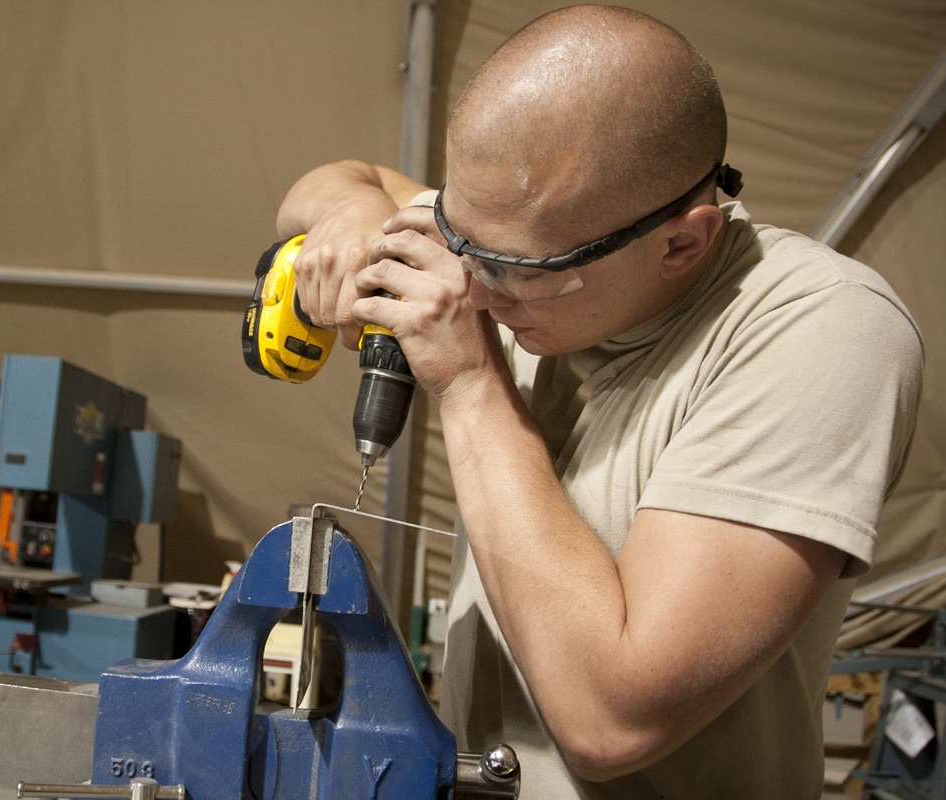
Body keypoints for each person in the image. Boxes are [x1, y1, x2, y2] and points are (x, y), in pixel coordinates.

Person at [275, 5, 924, 798]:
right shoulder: (522, 232)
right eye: (457, 236)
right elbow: (350, 179)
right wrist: (351, 212)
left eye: (509, 267)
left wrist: (472, 386)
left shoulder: (821, 329)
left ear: (683, 243)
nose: (465, 285)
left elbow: (614, 721)